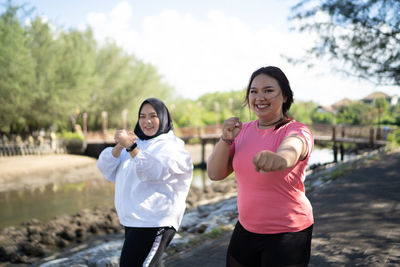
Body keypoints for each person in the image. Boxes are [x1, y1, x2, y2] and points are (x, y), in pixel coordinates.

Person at [207, 66, 314, 267]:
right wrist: (226, 139)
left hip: (288, 232)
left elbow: (293, 147)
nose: (260, 97)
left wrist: (279, 159)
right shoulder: (242, 130)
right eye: (254, 91)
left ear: (285, 96)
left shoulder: (297, 130)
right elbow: (214, 173)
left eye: (268, 90)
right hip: (246, 228)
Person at [97, 98, 193, 267]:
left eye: (153, 116)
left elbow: (154, 172)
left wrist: (131, 148)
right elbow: (107, 169)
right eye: (142, 116)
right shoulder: (137, 142)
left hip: (155, 222)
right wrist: (120, 146)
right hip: (133, 221)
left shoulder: (171, 146)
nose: (147, 121)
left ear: (163, 118)